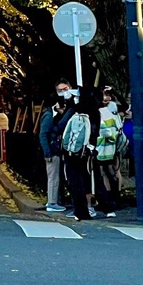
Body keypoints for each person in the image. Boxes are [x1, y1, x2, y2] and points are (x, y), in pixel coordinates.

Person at [54, 83, 98, 221]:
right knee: (88, 180)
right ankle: (92, 206)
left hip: (73, 151)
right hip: (87, 150)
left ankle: (80, 210)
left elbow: (60, 125)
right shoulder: (94, 112)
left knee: (75, 181)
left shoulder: (75, 111)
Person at [93, 87, 125, 217]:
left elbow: (104, 130)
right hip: (111, 147)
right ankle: (115, 199)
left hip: (101, 147)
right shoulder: (109, 111)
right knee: (111, 173)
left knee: (104, 174)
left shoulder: (101, 112)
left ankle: (107, 200)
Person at [39, 80, 68, 214]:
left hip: (55, 149)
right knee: (53, 177)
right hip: (52, 150)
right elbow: (43, 134)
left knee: (55, 176)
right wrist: (47, 153)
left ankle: (53, 201)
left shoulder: (51, 115)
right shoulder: (49, 115)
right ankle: (52, 202)